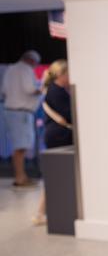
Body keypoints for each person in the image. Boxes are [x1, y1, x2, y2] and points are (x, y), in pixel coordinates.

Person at [33, 59, 73, 225]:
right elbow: (69, 114)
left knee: (55, 175)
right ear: (61, 75)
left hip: (56, 135)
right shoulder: (57, 92)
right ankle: (41, 212)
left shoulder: (54, 90)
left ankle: (42, 212)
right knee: (55, 176)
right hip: (59, 136)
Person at [1, 50, 42, 187]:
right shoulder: (25, 69)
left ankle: (22, 176)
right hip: (21, 113)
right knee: (21, 147)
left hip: (12, 112)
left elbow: (4, 91)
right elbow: (29, 89)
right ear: (32, 61)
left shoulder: (11, 69)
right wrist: (42, 88)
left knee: (19, 146)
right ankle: (20, 178)